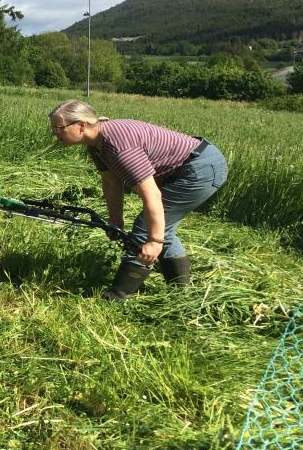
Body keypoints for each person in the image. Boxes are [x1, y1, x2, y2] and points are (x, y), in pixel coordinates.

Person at [48, 100, 228, 300]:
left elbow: (152, 195)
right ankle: (180, 293)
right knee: (161, 228)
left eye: (59, 128)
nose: (55, 134)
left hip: (199, 169)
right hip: (189, 166)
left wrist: (154, 241)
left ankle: (117, 296)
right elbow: (111, 183)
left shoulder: (118, 147)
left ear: (81, 125)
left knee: (147, 229)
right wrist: (116, 222)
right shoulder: (96, 144)